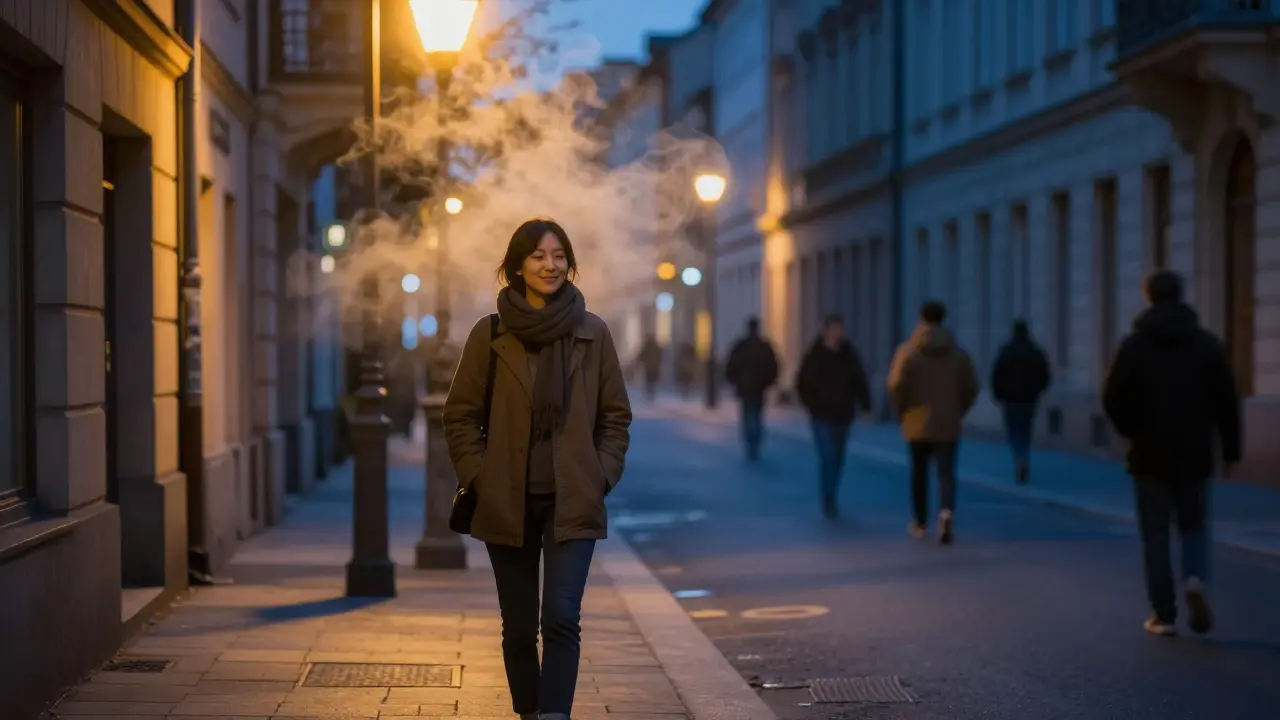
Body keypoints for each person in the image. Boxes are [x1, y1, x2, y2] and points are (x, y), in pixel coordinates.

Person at [442, 218, 633, 720]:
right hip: (507, 499)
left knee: (563, 618)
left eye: (559, 255)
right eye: (538, 256)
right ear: (516, 267)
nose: (550, 265)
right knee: (521, 627)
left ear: (570, 264)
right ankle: (529, 713)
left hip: (573, 497)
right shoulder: (491, 334)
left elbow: (615, 417)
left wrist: (601, 474)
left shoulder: (593, 333)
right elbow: (460, 415)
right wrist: (480, 476)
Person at [1102, 270, 1240, 638]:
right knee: (1194, 526)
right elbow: (1228, 401)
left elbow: (1112, 397)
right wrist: (1230, 449)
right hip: (1195, 451)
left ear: (1148, 296)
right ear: (1181, 296)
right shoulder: (1207, 344)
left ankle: (1163, 615)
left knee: (1156, 534)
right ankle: (1195, 580)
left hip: (1148, 453)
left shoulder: (1133, 346)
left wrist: (1131, 429)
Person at [887, 300, 979, 545]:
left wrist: (903, 408)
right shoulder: (958, 353)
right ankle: (946, 512)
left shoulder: (908, 351)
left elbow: (896, 384)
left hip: (916, 422)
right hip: (948, 421)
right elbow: (971, 385)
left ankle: (920, 521)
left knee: (919, 473)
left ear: (921, 319)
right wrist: (959, 408)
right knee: (946, 472)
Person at [796, 314, 871, 518]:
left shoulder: (849, 353)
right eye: (836, 329)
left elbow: (859, 379)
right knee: (827, 456)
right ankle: (828, 499)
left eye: (841, 329)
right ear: (827, 330)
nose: (839, 333)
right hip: (821, 415)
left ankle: (832, 492)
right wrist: (811, 405)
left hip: (843, 414)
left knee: (838, 458)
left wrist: (865, 405)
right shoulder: (815, 354)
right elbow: (802, 382)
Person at [990, 319, 1051, 483]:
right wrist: (1038, 391)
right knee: (1026, 428)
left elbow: (997, 374)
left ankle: (1019, 457)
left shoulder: (1006, 351)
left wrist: (997, 394)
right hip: (1029, 398)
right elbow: (1045, 374)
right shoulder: (1035, 351)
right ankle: (1024, 456)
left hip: (1010, 399)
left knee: (1013, 430)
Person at [724, 317, 780, 460]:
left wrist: (734, 380)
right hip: (759, 388)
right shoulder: (764, 346)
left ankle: (751, 440)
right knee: (756, 414)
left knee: (748, 415)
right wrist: (768, 382)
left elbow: (731, 365)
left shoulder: (741, 346)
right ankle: (755, 440)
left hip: (746, 388)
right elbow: (773, 366)